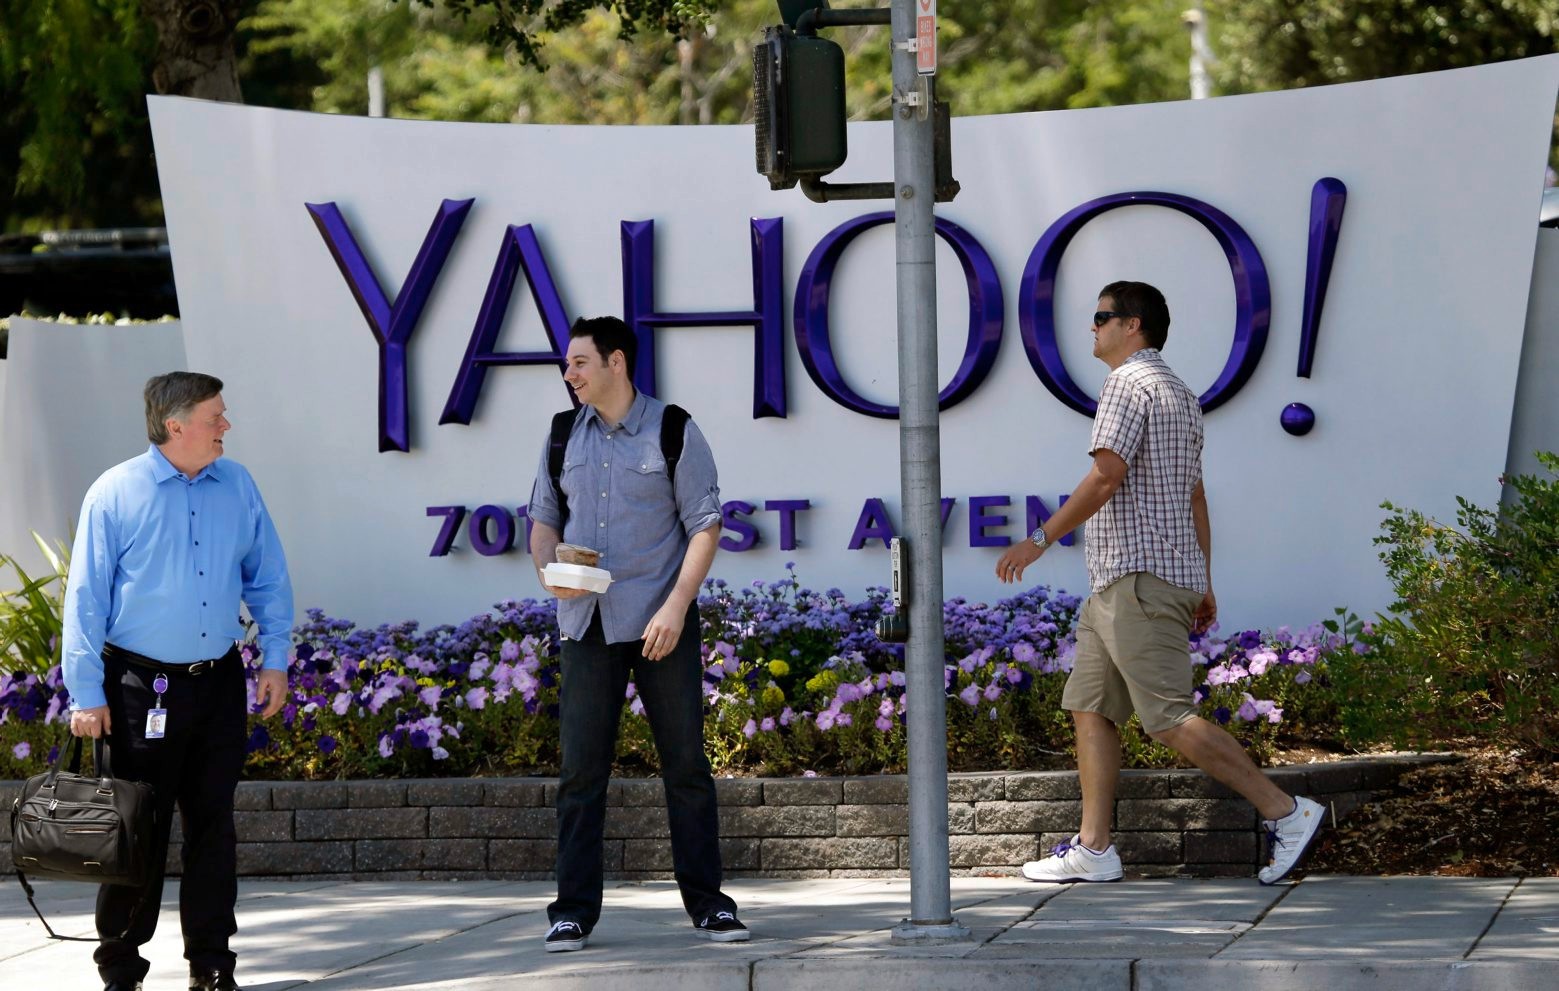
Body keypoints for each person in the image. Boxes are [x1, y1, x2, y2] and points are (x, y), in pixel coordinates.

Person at [995, 281, 1324, 886]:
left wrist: (1039, 541)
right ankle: (1094, 849)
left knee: (1168, 718)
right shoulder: (1179, 393)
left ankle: (1287, 812)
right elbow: (1195, 495)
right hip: (1128, 582)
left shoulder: (1126, 384)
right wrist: (1203, 580)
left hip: (1137, 581)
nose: (1092, 328)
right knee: (1090, 706)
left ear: (1133, 325)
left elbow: (1105, 475)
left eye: (1102, 317)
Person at [62, 372, 293, 991]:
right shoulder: (115, 492)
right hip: (137, 688)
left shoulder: (238, 484)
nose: (226, 426)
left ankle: (213, 967)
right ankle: (120, 968)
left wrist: (275, 659)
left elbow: (266, 577)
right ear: (176, 425)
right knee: (137, 830)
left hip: (216, 684)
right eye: (216, 416)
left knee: (213, 828)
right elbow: (84, 597)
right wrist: (85, 694)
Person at [527, 316, 748, 952]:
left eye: (578, 363)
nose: (569, 375)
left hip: (662, 626)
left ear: (616, 362)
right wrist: (550, 574)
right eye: (567, 365)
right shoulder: (562, 433)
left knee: (685, 768)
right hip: (586, 626)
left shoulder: (673, 428)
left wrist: (677, 607)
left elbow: (705, 526)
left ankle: (709, 906)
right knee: (579, 774)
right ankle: (571, 912)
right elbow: (543, 521)